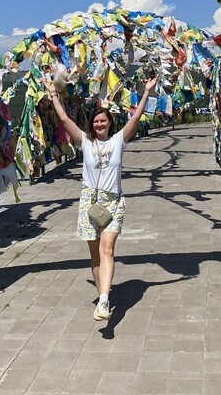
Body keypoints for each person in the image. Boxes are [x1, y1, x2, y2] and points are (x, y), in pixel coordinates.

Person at [45, 75, 158, 320]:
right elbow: (64, 119)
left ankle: (105, 301)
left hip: (114, 201)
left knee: (107, 250)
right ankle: (102, 297)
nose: (99, 124)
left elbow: (136, 117)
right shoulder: (85, 142)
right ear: (91, 124)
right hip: (89, 201)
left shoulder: (119, 141)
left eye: (103, 121)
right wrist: (53, 94)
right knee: (95, 255)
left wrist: (147, 92)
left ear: (110, 123)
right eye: (96, 121)